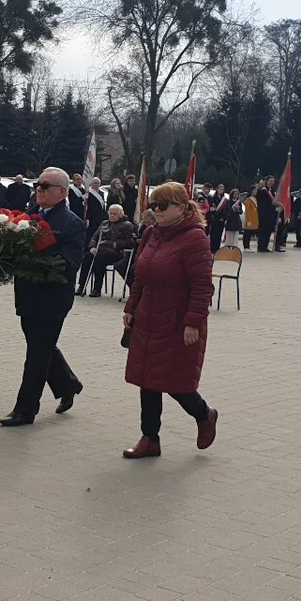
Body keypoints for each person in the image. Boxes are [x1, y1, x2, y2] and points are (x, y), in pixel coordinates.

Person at [121, 181, 218, 458]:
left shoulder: (194, 238)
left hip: (177, 322)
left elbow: (202, 286)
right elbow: (140, 276)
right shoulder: (152, 233)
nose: (156, 211)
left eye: (162, 206)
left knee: (177, 383)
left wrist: (193, 322)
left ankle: (204, 415)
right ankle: (150, 438)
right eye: (153, 205)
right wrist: (131, 307)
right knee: (147, 380)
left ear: (181, 207)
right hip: (148, 317)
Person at [0, 167, 85, 427]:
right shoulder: (30, 217)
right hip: (27, 294)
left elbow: (69, 263)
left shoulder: (72, 223)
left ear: (62, 192)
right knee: (41, 346)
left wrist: (34, 259)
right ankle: (69, 384)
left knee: (37, 353)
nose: (39, 189)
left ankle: (25, 410)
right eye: (38, 184)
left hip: (53, 299)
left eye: (45, 186)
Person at [76, 204, 136, 297]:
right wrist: (92, 247)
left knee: (99, 258)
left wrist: (117, 244)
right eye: (110, 214)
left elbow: (131, 242)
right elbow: (94, 237)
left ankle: (97, 288)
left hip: (116, 252)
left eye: (115, 214)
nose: (112, 216)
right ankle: (82, 286)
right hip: (100, 249)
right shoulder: (104, 223)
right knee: (88, 256)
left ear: (121, 214)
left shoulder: (127, 225)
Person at [115, 210, 156, 287]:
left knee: (133, 270)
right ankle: (132, 287)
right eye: (144, 222)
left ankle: (137, 290)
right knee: (119, 266)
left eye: (147, 222)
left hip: (146, 254)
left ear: (152, 219)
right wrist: (134, 240)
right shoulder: (139, 226)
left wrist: (143, 241)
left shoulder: (156, 228)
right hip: (134, 252)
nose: (145, 224)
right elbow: (131, 239)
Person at [256, 176, 278, 252]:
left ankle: (265, 246)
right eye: (270, 181)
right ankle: (261, 246)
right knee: (263, 231)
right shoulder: (263, 191)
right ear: (267, 181)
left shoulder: (272, 191)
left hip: (270, 215)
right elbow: (262, 204)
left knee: (268, 231)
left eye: (273, 181)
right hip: (263, 214)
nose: (272, 182)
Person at [85, 177, 106, 243]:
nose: (96, 184)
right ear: (92, 184)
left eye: (98, 183)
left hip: (100, 216)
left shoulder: (102, 193)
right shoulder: (89, 193)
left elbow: (103, 205)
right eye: (95, 183)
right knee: (91, 233)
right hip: (92, 217)